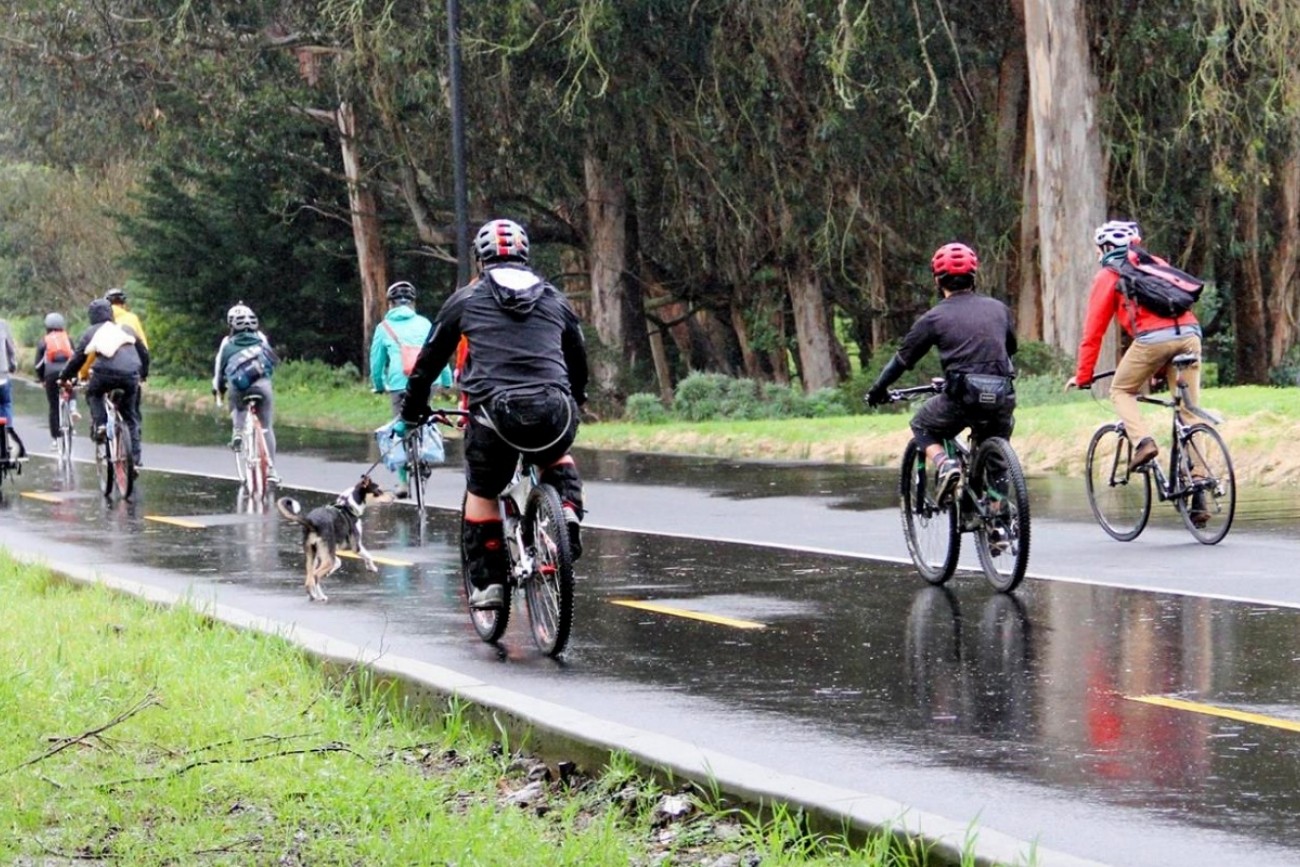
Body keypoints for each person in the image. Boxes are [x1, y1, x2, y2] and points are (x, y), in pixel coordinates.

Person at [397, 218, 589, 610]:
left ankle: (489, 587)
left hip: (494, 416)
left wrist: (413, 409)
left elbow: (430, 361)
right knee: (555, 452)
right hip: (555, 408)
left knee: (482, 491)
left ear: (480, 260)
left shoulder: (465, 300)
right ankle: (567, 510)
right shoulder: (554, 297)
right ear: (525, 255)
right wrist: (576, 398)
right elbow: (578, 356)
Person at [1065, 220, 1206, 521]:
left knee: (1121, 390)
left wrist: (1084, 375)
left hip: (1152, 341)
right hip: (1191, 334)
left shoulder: (1108, 275)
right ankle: (1200, 484)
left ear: (1103, 249)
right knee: (1189, 411)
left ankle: (1143, 441)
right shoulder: (1156, 264)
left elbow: (1093, 332)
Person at [866, 242, 1018, 503]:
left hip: (963, 398)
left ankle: (945, 464)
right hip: (1002, 396)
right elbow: (1011, 347)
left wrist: (878, 390)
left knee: (921, 424)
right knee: (996, 457)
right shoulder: (999, 309)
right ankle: (999, 526)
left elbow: (901, 361)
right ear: (973, 277)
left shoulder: (933, 318)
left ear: (938, 280)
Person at [369, 280, 449, 498]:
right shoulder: (424, 323)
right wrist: (447, 378)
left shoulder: (383, 328)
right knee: (424, 413)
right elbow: (439, 349)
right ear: (413, 303)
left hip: (398, 381)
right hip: (428, 379)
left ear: (390, 304)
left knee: (401, 424)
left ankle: (403, 483)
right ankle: (424, 455)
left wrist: (377, 384)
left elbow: (376, 362)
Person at [59, 298, 149, 469]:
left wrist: (64, 378)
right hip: (131, 375)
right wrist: (143, 374)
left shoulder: (91, 332)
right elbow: (143, 352)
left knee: (94, 393)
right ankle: (135, 461)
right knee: (130, 417)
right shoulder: (126, 329)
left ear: (91, 316)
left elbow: (78, 359)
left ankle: (100, 425)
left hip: (104, 374)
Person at [213, 303, 281, 484]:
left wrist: (218, 390)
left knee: (238, 407)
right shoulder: (261, 339)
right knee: (266, 426)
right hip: (263, 385)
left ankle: (237, 432)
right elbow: (272, 361)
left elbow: (220, 372)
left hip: (240, 387)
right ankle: (272, 470)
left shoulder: (227, 344)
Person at [106, 287, 149, 463]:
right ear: (124, 304)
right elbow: (144, 348)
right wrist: (143, 374)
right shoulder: (132, 319)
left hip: (108, 371)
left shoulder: (103, 321)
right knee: (132, 414)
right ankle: (136, 458)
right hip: (132, 371)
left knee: (105, 403)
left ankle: (106, 434)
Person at [33, 312, 79, 448]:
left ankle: (56, 438)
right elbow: (76, 357)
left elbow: (38, 364)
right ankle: (72, 407)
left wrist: (42, 379)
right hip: (68, 370)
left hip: (51, 374)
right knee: (71, 386)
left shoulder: (44, 341)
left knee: (54, 406)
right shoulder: (68, 339)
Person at [0, 317, 17, 426]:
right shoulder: (3, 324)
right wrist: (13, 365)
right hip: (3, 373)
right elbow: (11, 349)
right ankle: (8, 433)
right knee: (6, 403)